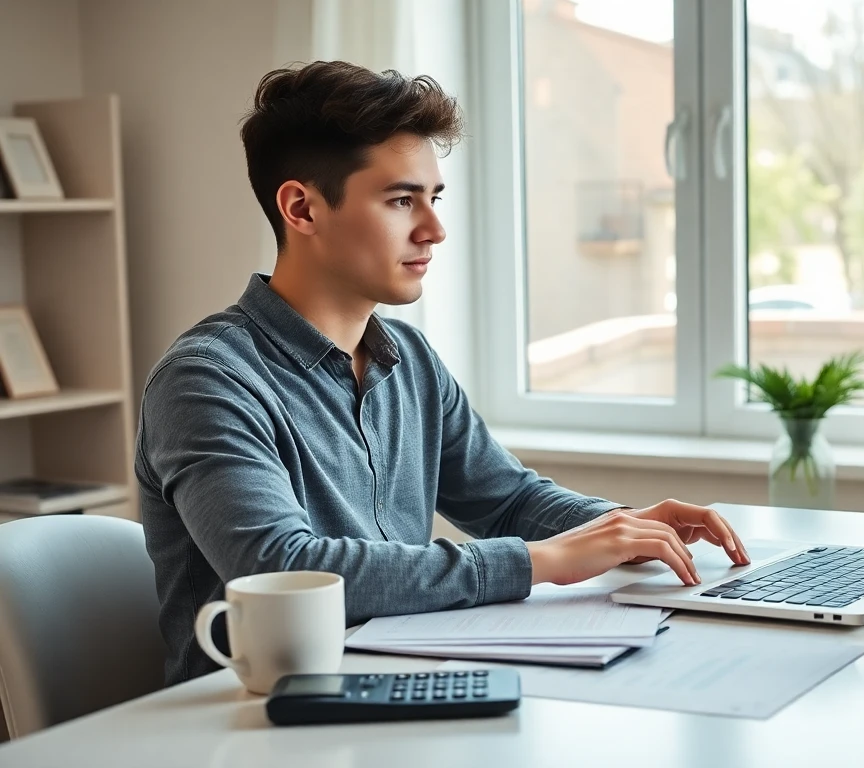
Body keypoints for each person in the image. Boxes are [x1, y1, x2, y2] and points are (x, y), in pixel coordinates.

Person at [135, 61, 750, 685]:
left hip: (392, 685)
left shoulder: (410, 359)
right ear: (302, 208)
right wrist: (542, 561)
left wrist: (624, 527)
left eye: (432, 199)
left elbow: (506, 499)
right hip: (249, 721)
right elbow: (283, 567)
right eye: (402, 200)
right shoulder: (206, 381)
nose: (434, 229)